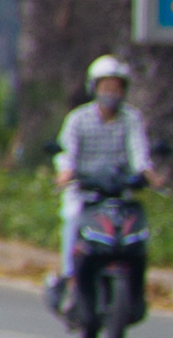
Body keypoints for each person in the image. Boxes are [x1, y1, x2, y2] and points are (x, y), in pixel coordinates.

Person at [52, 54, 158, 307]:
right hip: (84, 192)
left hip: (118, 192)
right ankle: (72, 281)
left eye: (116, 87)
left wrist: (147, 173)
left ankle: (136, 287)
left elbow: (138, 152)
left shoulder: (131, 119)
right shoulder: (78, 119)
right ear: (95, 88)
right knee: (72, 221)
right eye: (106, 87)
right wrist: (66, 172)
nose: (111, 92)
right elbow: (68, 153)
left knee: (137, 230)